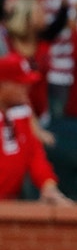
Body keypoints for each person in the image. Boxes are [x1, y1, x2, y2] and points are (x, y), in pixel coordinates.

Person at [0, 54, 72, 205]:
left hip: (10, 203)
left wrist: (48, 186)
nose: (27, 88)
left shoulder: (21, 112)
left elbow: (34, 154)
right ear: (3, 84)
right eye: (20, 83)